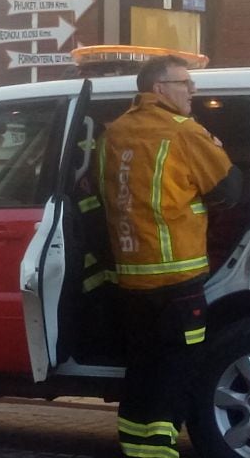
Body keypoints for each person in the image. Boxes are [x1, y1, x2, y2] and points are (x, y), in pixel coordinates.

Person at [97, 55, 241, 458]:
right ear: (158, 89)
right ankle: (159, 450)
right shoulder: (184, 132)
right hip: (179, 278)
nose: (193, 90)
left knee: (142, 364)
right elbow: (230, 191)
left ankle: (134, 445)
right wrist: (217, 148)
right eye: (184, 83)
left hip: (131, 277)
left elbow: (101, 194)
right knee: (177, 366)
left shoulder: (112, 134)